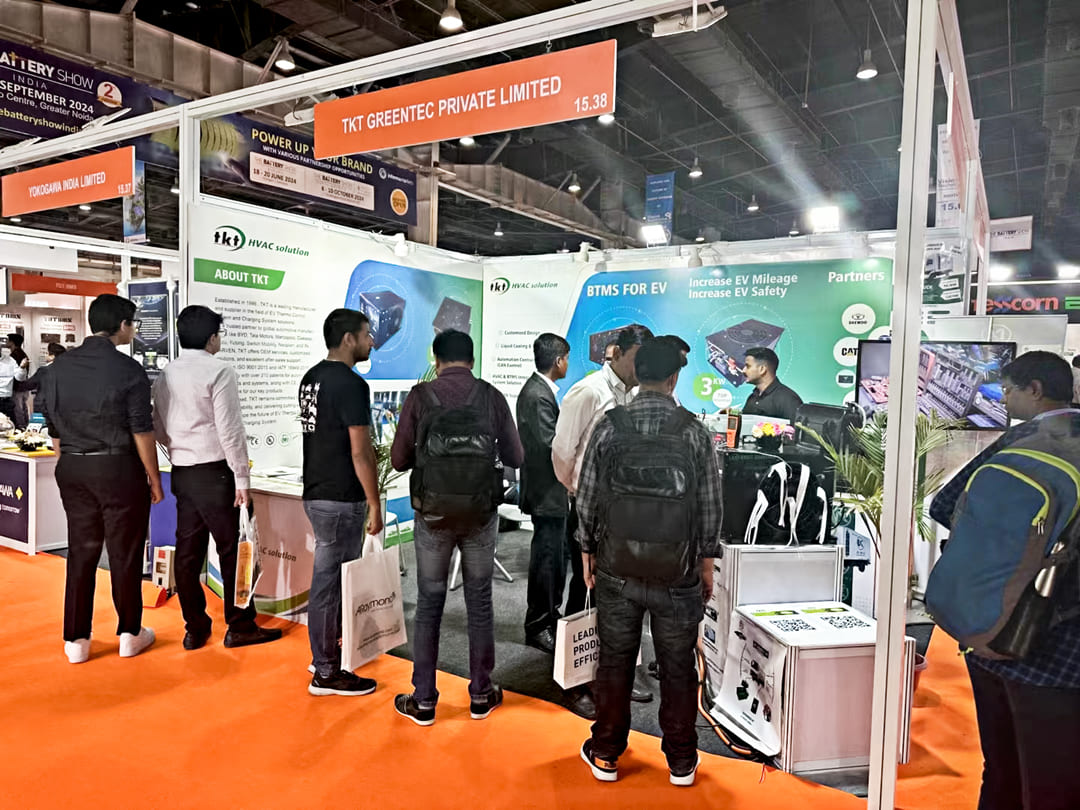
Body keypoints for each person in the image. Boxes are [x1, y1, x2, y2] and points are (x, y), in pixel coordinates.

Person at [929, 351, 1080, 810]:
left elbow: (943, 506)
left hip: (987, 629)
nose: (1003, 398)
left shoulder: (1024, 438)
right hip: (1058, 649)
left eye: (1009, 390)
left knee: (1001, 769)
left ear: (1036, 390)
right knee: (1054, 783)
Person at [575, 337, 722, 787]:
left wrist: (587, 550)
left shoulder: (610, 426)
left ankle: (606, 752)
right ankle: (681, 759)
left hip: (616, 567)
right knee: (677, 665)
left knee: (615, 661)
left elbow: (588, 495)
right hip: (677, 572)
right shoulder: (694, 432)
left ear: (637, 374)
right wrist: (706, 563)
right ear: (674, 378)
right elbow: (710, 505)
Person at [391, 329, 523, 726]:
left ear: (437, 361)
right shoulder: (491, 396)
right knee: (480, 602)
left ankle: (424, 700)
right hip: (480, 515)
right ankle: (481, 694)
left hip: (432, 515)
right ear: (472, 360)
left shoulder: (420, 397)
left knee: (429, 603)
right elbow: (516, 455)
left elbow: (398, 460)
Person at [40, 294, 163, 664]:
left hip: (72, 466)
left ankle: (76, 640)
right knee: (125, 552)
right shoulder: (128, 370)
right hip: (118, 469)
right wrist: (154, 478)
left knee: (80, 552)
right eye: (132, 324)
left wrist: (70, 463)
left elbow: (53, 427)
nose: (133, 330)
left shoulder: (58, 368)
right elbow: (141, 429)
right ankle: (129, 633)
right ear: (122, 325)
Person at [153, 306, 282, 651]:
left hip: (183, 472)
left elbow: (158, 426)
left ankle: (195, 627)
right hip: (215, 473)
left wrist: (179, 447)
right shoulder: (220, 370)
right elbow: (230, 430)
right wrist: (242, 478)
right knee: (234, 551)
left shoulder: (167, 373)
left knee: (188, 553)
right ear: (212, 338)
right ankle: (240, 625)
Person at [552, 324, 655, 718]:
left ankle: (613, 676)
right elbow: (562, 453)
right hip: (588, 507)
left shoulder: (636, 395)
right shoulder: (589, 392)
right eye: (637, 358)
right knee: (584, 591)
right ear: (618, 353)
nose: (642, 367)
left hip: (625, 512)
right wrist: (580, 492)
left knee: (621, 596)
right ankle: (574, 683)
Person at [299, 308, 382, 697]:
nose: (371, 342)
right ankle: (327, 672)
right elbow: (360, 451)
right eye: (366, 335)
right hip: (341, 498)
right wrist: (375, 502)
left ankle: (324, 655)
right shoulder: (351, 385)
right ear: (349, 339)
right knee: (331, 584)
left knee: (328, 580)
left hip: (317, 492)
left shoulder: (311, 378)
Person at [517, 333, 571, 654]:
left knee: (555, 559)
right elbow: (549, 446)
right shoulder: (537, 395)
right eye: (567, 358)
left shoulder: (541, 391)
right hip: (546, 492)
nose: (568, 364)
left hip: (552, 492)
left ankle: (550, 616)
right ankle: (538, 625)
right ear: (558, 361)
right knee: (546, 560)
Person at [741, 346, 803, 422]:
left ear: (762, 369)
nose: (743, 370)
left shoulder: (788, 399)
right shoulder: (752, 398)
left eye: (748, 366)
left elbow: (796, 428)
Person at [0, 340, 27, 424]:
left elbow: (19, 378)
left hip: (7, 400)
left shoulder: (10, 360)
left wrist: (22, 368)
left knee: (11, 426)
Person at [7, 333, 30, 428]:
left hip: (17, 387)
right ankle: (25, 426)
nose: (6, 342)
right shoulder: (23, 354)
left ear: (12, 342)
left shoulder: (14, 355)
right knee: (23, 408)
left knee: (18, 409)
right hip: (24, 386)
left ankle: (21, 428)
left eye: (8, 340)